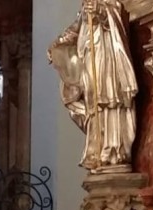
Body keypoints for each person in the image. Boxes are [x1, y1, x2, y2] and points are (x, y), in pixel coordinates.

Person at [48, 0, 138, 172]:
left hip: (107, 56)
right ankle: (98, 149)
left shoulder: (110, 3)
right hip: (90, 57)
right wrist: (57, 45)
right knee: (91, 102)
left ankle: (113, 150)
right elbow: (77, 27)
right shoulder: (87, 5)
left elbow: (118, 17)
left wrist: (101, 13)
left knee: (109, 99)